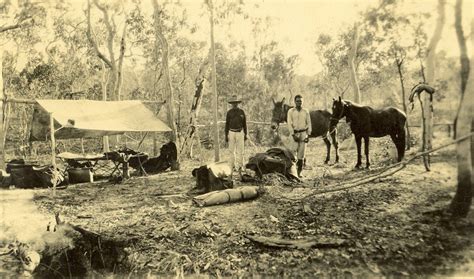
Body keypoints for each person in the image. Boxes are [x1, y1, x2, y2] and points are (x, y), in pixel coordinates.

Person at [287, 94, 312, 178]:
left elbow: (309, 123)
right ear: (295, 102)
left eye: (300, 101)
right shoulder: (291, 111)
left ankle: (299, 172)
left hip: (303, 133)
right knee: (292, 153)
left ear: (303, 102)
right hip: (294, 133)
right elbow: (289, 124)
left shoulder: (306, 111)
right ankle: (292, 173)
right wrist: (293, 134)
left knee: (301, 154)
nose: (299, 103)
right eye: (297, 101)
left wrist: (308, 135)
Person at [225, 95, 247, 174]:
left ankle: (240, 167)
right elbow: (227, 124)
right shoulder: (229, 113)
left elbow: (244, 124)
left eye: (236, 103)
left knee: (240, 151)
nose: (235, 104)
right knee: (231, 151)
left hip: (240, 132)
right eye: (233, 103)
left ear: (238, 103)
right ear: (231, 104)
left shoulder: (241, 112)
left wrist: (246, 134)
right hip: (231, 132)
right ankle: (231, 167)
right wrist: (226, 135)